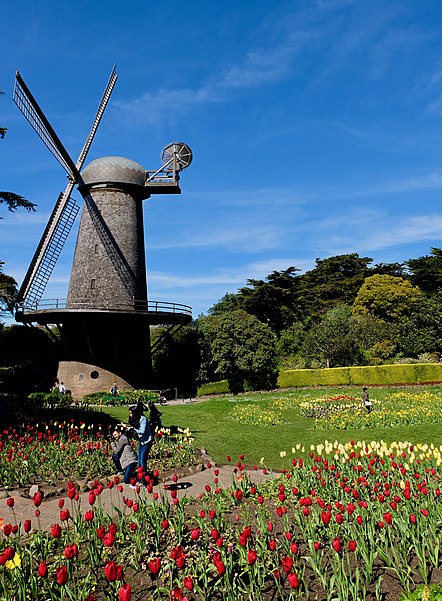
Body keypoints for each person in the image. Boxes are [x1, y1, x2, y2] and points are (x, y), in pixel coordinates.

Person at [122, 403, 152, 477]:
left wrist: (132, 429)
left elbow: (142, 431)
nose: (130, 415)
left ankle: (144, 477)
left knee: (142, 461)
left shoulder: (143, 419)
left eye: (131, 413)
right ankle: (141, 476)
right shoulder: (137, 418)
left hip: (147, 441)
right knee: (139, 461)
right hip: (141, 441)